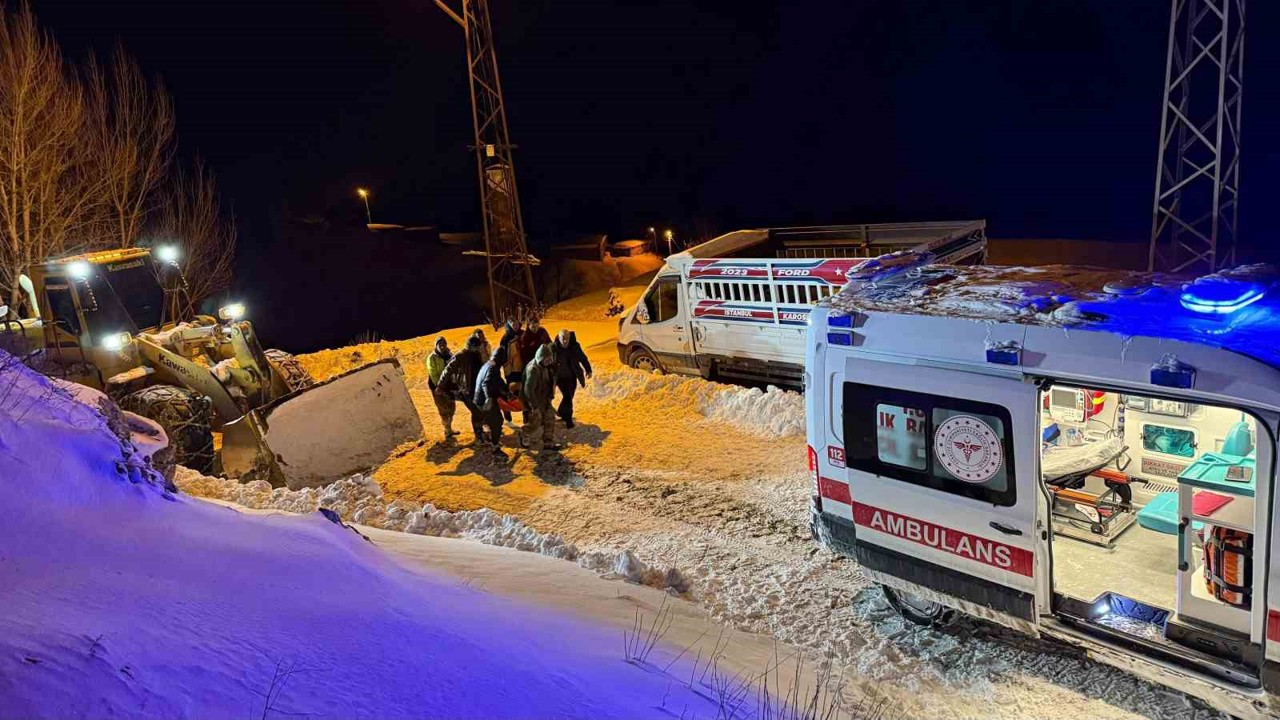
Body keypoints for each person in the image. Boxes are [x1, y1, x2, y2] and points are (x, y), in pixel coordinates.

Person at [439, 336, 486, 445]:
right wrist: (441, 386)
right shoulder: (461, 356)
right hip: (466, 389)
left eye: (478, 347)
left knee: (480, 411)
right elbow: (448, 370)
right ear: (470, 346)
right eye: (476, 347)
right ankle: (478, 436)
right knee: (476, 411)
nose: (478, 349)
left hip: (477, 388)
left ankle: (480, 433)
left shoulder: (477, 355)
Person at [520, 343, 558, 452]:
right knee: (535, 422)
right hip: (534, 400)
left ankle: (548, 441)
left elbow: (549, 381)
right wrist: (534, 405)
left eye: (549, 358)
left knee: (550, 417)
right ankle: (524, 434)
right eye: (546, 359)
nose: (548, 361)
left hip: (544, 398)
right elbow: (528, 390)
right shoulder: (533, 369)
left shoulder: (546, 367)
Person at [552, 329, 592, 428]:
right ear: (559, 338)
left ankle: (562, 412)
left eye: (567, 339)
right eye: (563, 339)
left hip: (571, 376)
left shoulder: (575, 347)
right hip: (560, 377)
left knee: (570, 396)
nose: (565, 341)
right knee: (568, 396)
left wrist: (588, 370)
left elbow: (583, 358)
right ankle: (568, 419)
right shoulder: (554, 348)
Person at [474, 345, 512, 448]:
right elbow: (485, 383)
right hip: (484, 400)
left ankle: (490, 439)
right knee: (497, 422)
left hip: (480, 398)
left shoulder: (489, 364)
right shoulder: (493, 367)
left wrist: (506, 391)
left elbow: (498, 381)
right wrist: (488, 398)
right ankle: (495, 446)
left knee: (492, 421)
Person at [424, 337, 456, 439]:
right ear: (436, 345)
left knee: (452, 407)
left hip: (449, 386)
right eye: (440, 344)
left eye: (444, 343)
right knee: (443, 408)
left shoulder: (450, 355)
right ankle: (447, 430)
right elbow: (433, 373)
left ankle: (449, 427)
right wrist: (440, 386)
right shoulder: (432, 358)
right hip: (437, 387)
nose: (442, 346)